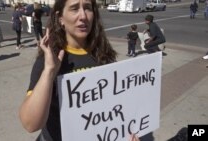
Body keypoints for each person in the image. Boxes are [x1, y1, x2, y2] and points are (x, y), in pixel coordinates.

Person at [18, 0, 142, 141]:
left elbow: (112, 108)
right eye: (74, 8)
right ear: (60, 18)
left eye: (88, 8)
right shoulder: (49, 59)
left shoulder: (104, 55)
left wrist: (124, 133)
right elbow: (30, 124)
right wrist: (49, 72)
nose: (83, 16)